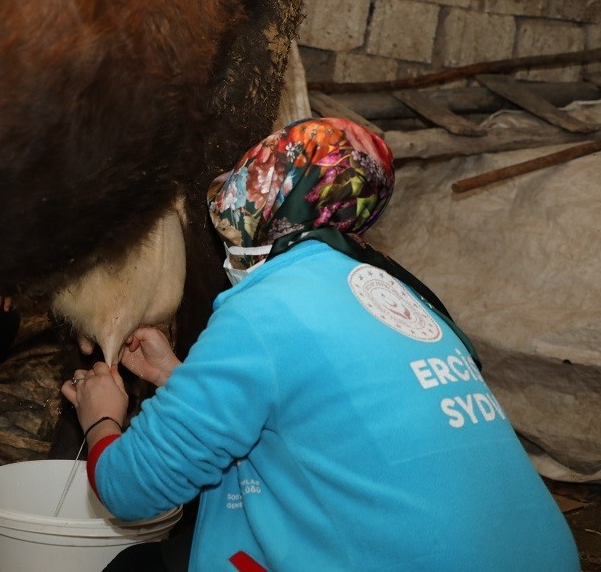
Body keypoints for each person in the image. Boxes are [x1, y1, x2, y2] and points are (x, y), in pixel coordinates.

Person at [61, 117, 579, 571]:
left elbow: (133, 488)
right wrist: (181, 379)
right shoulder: (396, 294)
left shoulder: (265, 307)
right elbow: (322, 408)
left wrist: (102, 417)